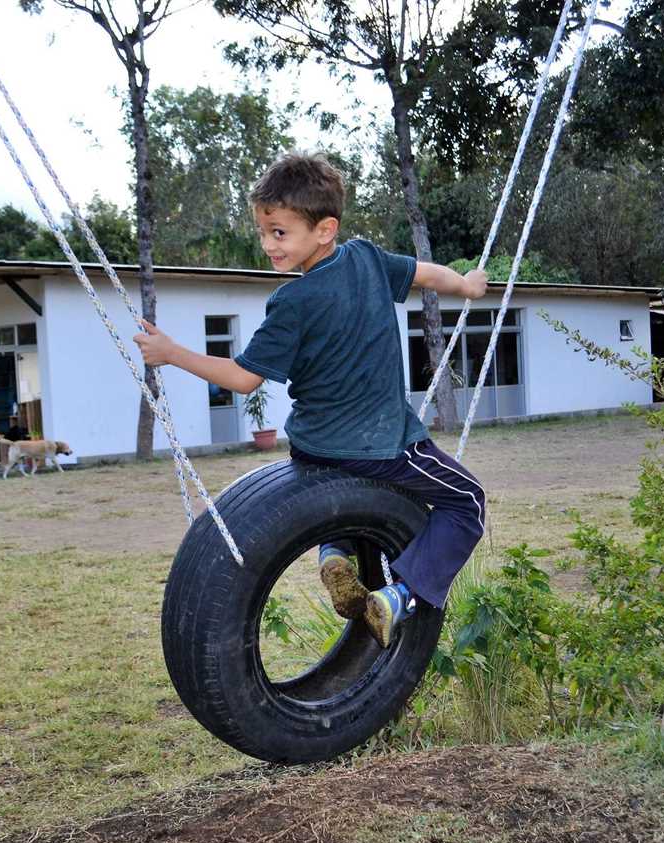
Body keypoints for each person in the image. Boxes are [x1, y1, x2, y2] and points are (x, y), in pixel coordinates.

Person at [134, 152, 488, 649]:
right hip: (383, 444)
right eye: (263, 231)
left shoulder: (291, 302)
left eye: (278, 232)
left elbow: (240, 379)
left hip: (314, 448)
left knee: (337, 490)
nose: (267, 245)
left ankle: (334, 555)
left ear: (324, 229)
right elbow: (429, 276)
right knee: (467, 502)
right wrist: (467, 285)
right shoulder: (365, 259)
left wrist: (172, 353)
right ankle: (400, 596)